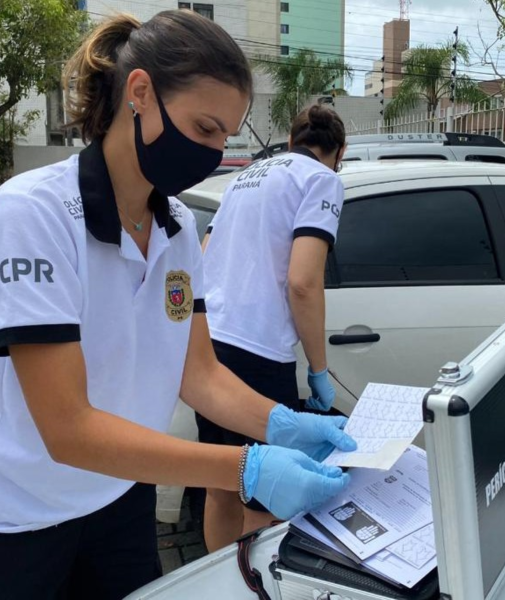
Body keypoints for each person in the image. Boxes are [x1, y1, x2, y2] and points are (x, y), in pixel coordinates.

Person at [0, 11, 356, 600]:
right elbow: (68, 429)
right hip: (24, 519)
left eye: (226, 136)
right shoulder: (31, 216)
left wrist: (285, 425)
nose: (215, 151)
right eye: (205, 128)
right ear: (139, 93)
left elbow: (199, 373)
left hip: (121, 497)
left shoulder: (177, 228)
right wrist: (248, 467)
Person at [198, 104, 347, 550]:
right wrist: (318, 371)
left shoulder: (245, 178)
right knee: (263, 502)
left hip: (208, 344)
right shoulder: (322, 180)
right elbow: (303, 282)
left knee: (220, 480)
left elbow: (205, 252)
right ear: (339, 151)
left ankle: (220, 587)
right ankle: (251, 585)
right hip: (258, 353)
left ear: (290, 141)